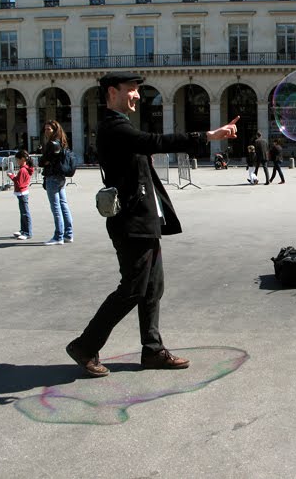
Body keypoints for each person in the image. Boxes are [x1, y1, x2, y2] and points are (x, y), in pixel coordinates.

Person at [65, 72, 239, 377]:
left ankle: (153, 350)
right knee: (133, 288)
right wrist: (208, 136)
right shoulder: (113, 126)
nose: (136, 95)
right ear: (112, 92)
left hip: (144, 219)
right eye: (131, 89)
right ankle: (85, 345)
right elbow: (154, 142)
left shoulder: (121, 125)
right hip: (130, 222)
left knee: (152, 288)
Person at [38, 120, 74, 245]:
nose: (46, 131)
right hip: (61, 177)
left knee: (56, 207)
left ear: (54, 130)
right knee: (63, 205)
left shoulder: (52, 144)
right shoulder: (62, 143)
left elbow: (42, 161)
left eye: (49, 129)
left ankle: (58, 236)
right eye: (45, 129)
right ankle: (68, 234)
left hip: (52, 177)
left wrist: (45, 160)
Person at [8, 150, 34, 240]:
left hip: (22, 193)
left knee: (25, 213)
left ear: (22, 159)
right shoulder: (25, 168)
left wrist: (11, 176)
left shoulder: (23, 170)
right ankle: (23, 230)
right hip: (23, 192)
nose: (17, 162)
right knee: (23, 213)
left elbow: (19, 183)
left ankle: (27, 232)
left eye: (17, 160)